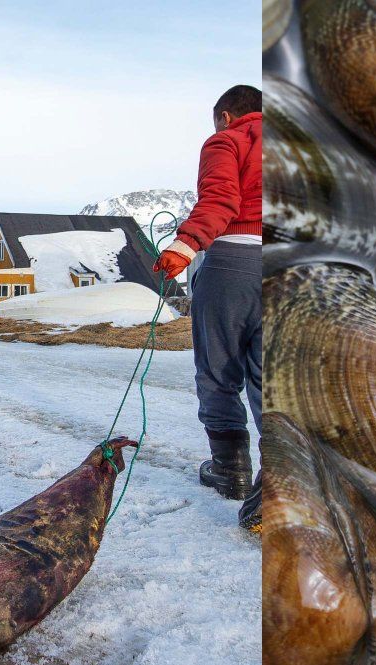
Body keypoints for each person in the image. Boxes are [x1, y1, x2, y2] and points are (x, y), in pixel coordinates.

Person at [153, 84, 262, 501]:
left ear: (226, 116)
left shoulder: (227, 140)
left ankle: (230, 470)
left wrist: (183, 247)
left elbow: (221, 198)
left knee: (219, 370)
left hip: (233, 262)